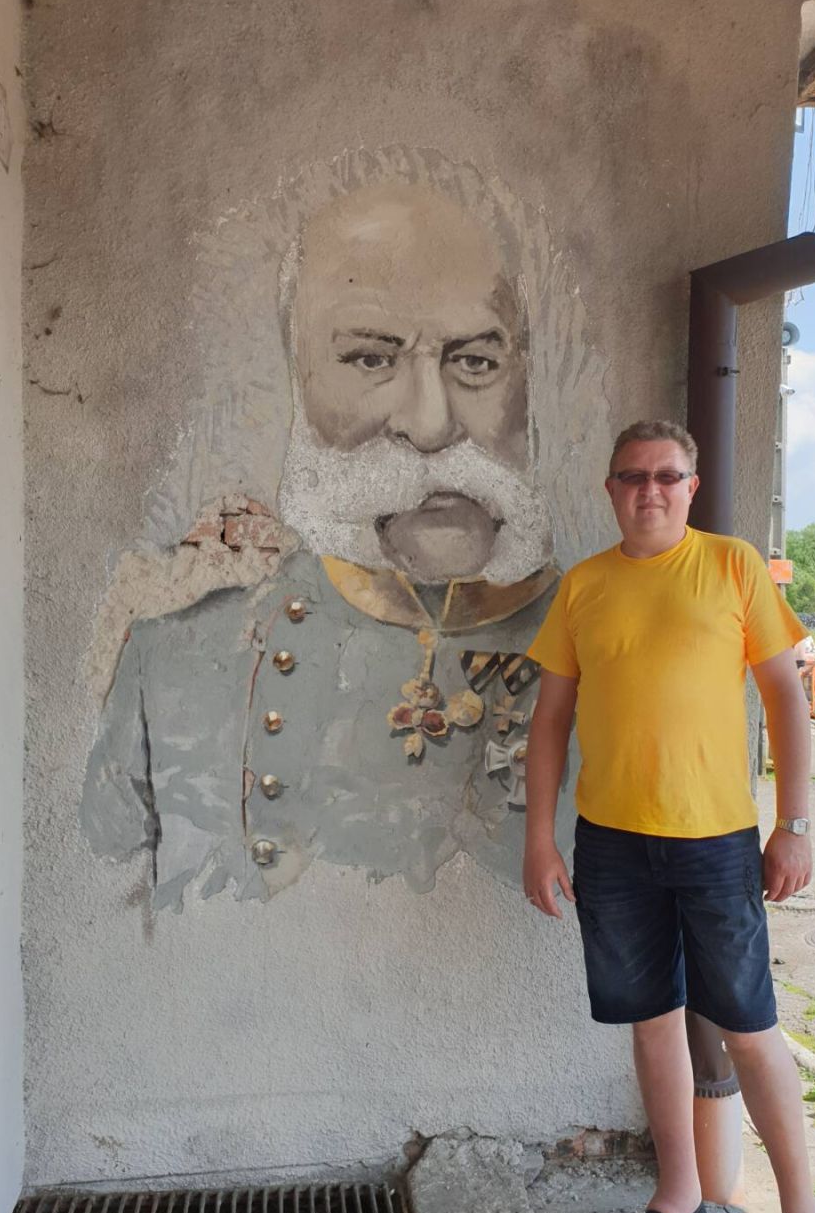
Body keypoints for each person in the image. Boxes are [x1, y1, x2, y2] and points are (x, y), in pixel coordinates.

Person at [83, 152, 592, 904]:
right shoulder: (171, 666)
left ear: (526, 381)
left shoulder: (615, 657)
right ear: (297, 380)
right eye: (370, 358)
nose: (431, 424)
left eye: (477, 361)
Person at [522, 419, 815, 1213]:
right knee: (652, 1021)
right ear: (611, 489)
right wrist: (539, 837)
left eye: (667, 476)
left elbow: (785, 695)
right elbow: (550, 720)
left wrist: (794, 825)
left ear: (691, 487)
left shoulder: (733, 566)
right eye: (633, 476)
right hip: (613, 844)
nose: (649, 490)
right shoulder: (584, 586)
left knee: (751, 1028)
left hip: (717, 842)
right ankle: (679, 1196)